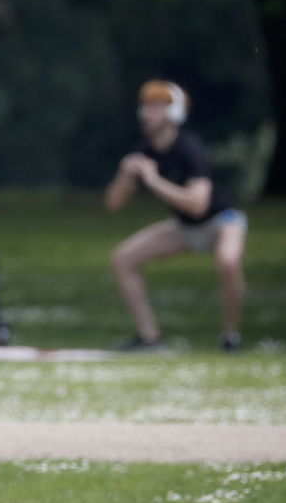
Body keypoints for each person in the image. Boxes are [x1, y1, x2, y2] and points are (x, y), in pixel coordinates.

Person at [103, 80, 247, 352]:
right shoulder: (143, 149)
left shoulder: (188, 147)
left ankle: (230, 338)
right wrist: (124, 176)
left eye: (157, 106)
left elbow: (198, 205)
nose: (148, 112)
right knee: (122, 259)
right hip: (185, 227)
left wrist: (153, 181)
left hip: (222, 220)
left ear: (175, 113)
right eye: (146, 106)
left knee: (228, 262)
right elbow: (112, 204)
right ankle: (149, 338)